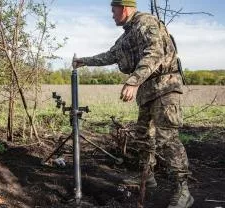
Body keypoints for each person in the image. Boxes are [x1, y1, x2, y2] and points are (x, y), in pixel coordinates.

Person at [73, 0, 193, 207]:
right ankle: (148, 178)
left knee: (167, 139)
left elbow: (154, 52)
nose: (111, 15)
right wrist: (84, 61)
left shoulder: (146, 22)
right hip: (147, 93)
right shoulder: (127, 35)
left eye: (113, 10)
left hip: (165, 88)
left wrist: (133, 81)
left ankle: (182, 190)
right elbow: (110, 56)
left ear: (125, 9)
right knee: (144, 137)